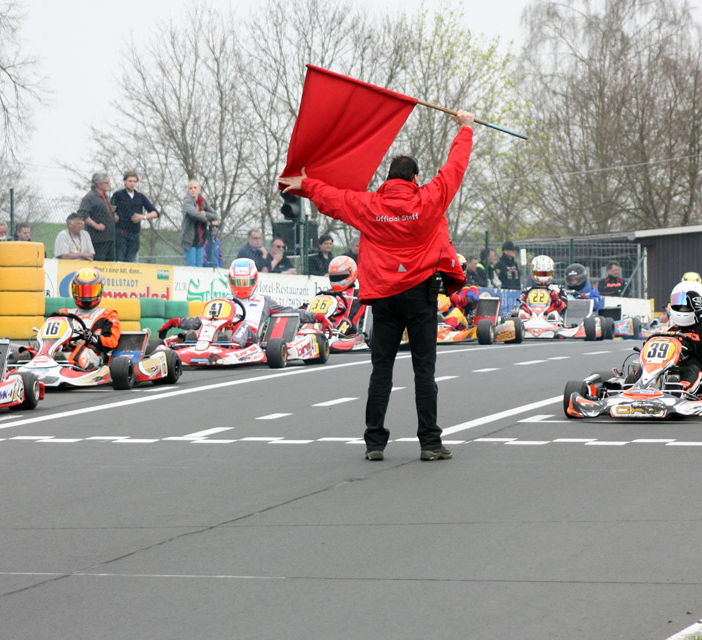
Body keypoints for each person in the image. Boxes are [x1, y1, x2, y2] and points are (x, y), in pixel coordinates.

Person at [278, 108, 474, 462]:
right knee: (424, 371)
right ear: (415, 177)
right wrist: (465, 128)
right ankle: (429, 442)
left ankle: (374, 442)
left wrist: (304, 184)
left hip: (383, 298)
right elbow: (454, 169)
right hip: (420, 296)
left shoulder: (370, 205)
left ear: (388, 178)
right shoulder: (428, 200)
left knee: (381, 369)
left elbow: (334, 199)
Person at [158, 258, 331, 343]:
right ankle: (191, 339)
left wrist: (317, 317)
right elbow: (203, 320)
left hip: (250, 339)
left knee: (242, 325)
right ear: (231, 281)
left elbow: (292, 312)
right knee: (209, 325)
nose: (241, 286)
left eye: (245, 282)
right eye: (238, 282)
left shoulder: (264, 301)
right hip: (220, 332)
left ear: (254, 280)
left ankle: (226, 341)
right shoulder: (225, 301)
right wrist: (177, 322)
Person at [661, 280, 702, 395]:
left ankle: (678, 392)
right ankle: (632, 388)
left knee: (691, 370)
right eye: (678, 302)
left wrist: (700, 313)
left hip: (696, 374)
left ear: (701, 304)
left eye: (687, 304)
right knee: (642, 370)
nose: (682, 306)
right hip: (666, 370)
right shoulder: (669, 331)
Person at [57, 266, 121, 371]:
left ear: (100, 291)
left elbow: (112, 342)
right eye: (82, 291)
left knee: (82, 351)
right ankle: (34, 359)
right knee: (52, 352)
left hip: (93, 356)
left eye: (91, 291)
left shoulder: (108, 315)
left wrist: (93, 338)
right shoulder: (64, 314)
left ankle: (66, 367)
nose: (86, 296)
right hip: (66, 352)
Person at [111, 170, 158, 262]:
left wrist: (143, 217)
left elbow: (155, 213)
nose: (132, 184)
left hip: (134, 234)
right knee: (120, 261)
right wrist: (113, 216)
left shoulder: (140, 197)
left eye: (134, 181)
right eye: (130, 181)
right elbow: (111, 210)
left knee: (131, 262)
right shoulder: (118, 195)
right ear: (125, 181)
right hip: (121, 233)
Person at [316, 255, 365, 335]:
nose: (336, 278)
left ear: (352, 273)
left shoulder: (359, 295)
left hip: (345, 335)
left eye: (341, 275)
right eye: (333, 276)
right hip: (321, 328)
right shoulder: (324, 294)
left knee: (346, 322)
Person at [78, 172, 116, 262]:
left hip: (109, 239)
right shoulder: (89, 197)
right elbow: (83, 213)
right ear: (99, 184)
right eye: (106, 183)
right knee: (99, 265)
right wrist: (96, 225)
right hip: (97, 240)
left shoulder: (104, 197)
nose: (108, 185)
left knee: (109, 265)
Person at [181, 179, 218, 267]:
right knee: (192, 266)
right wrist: (206, 220)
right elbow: (194, 214)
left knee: (199, 266)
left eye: (195, 187)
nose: (193, 190)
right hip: (190, 239)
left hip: (200, 239)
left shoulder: (203, 202)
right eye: (190, 188)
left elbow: (215, 215)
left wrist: (205, 213)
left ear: (199, 189)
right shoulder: (187, 201)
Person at [517, 255, 566, 319]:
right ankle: (523, 321)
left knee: (554, 314)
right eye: (540, 273)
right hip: (532, 314)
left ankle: (552, 320)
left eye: (546, 274)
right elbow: (522, 305)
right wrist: (523, 299)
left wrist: (556, 299)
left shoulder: (556, 289)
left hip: (548, 314)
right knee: (522, 312)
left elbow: (563, 308)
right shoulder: (528, 290)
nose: (543, 276)